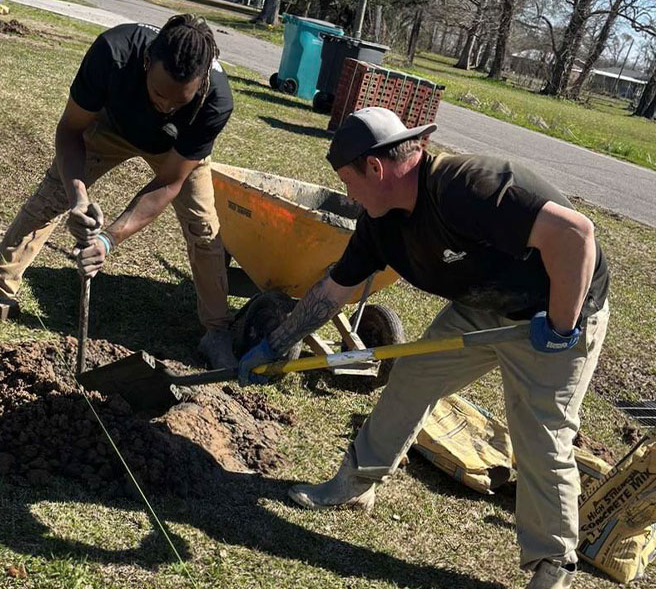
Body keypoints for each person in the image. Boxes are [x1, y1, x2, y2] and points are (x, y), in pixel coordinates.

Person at [238, 107, 610, 589]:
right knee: (413, 379)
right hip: (483, 308)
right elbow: (336, 288)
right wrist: (277, 343)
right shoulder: (381, 222)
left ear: (375, 167)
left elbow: (576, 234)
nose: (347, 193)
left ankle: (552, 565)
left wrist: (561, 325)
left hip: (558, 309)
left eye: (347, 181)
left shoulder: (472, 187)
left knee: (540, 431)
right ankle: (355, 484)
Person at [0, 14, 238, 368]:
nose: (166, 107)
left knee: (204, 226)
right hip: (111, 124)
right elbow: (70, 130)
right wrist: (78, 198)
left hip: (175, 151)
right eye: (159, 93)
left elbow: (169, 182)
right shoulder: (113, 52)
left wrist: (107, 240)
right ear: (147, 62)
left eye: (180, 102)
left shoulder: (215, 100)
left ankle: (217, 329)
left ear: (201, 82)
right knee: (54, 193)